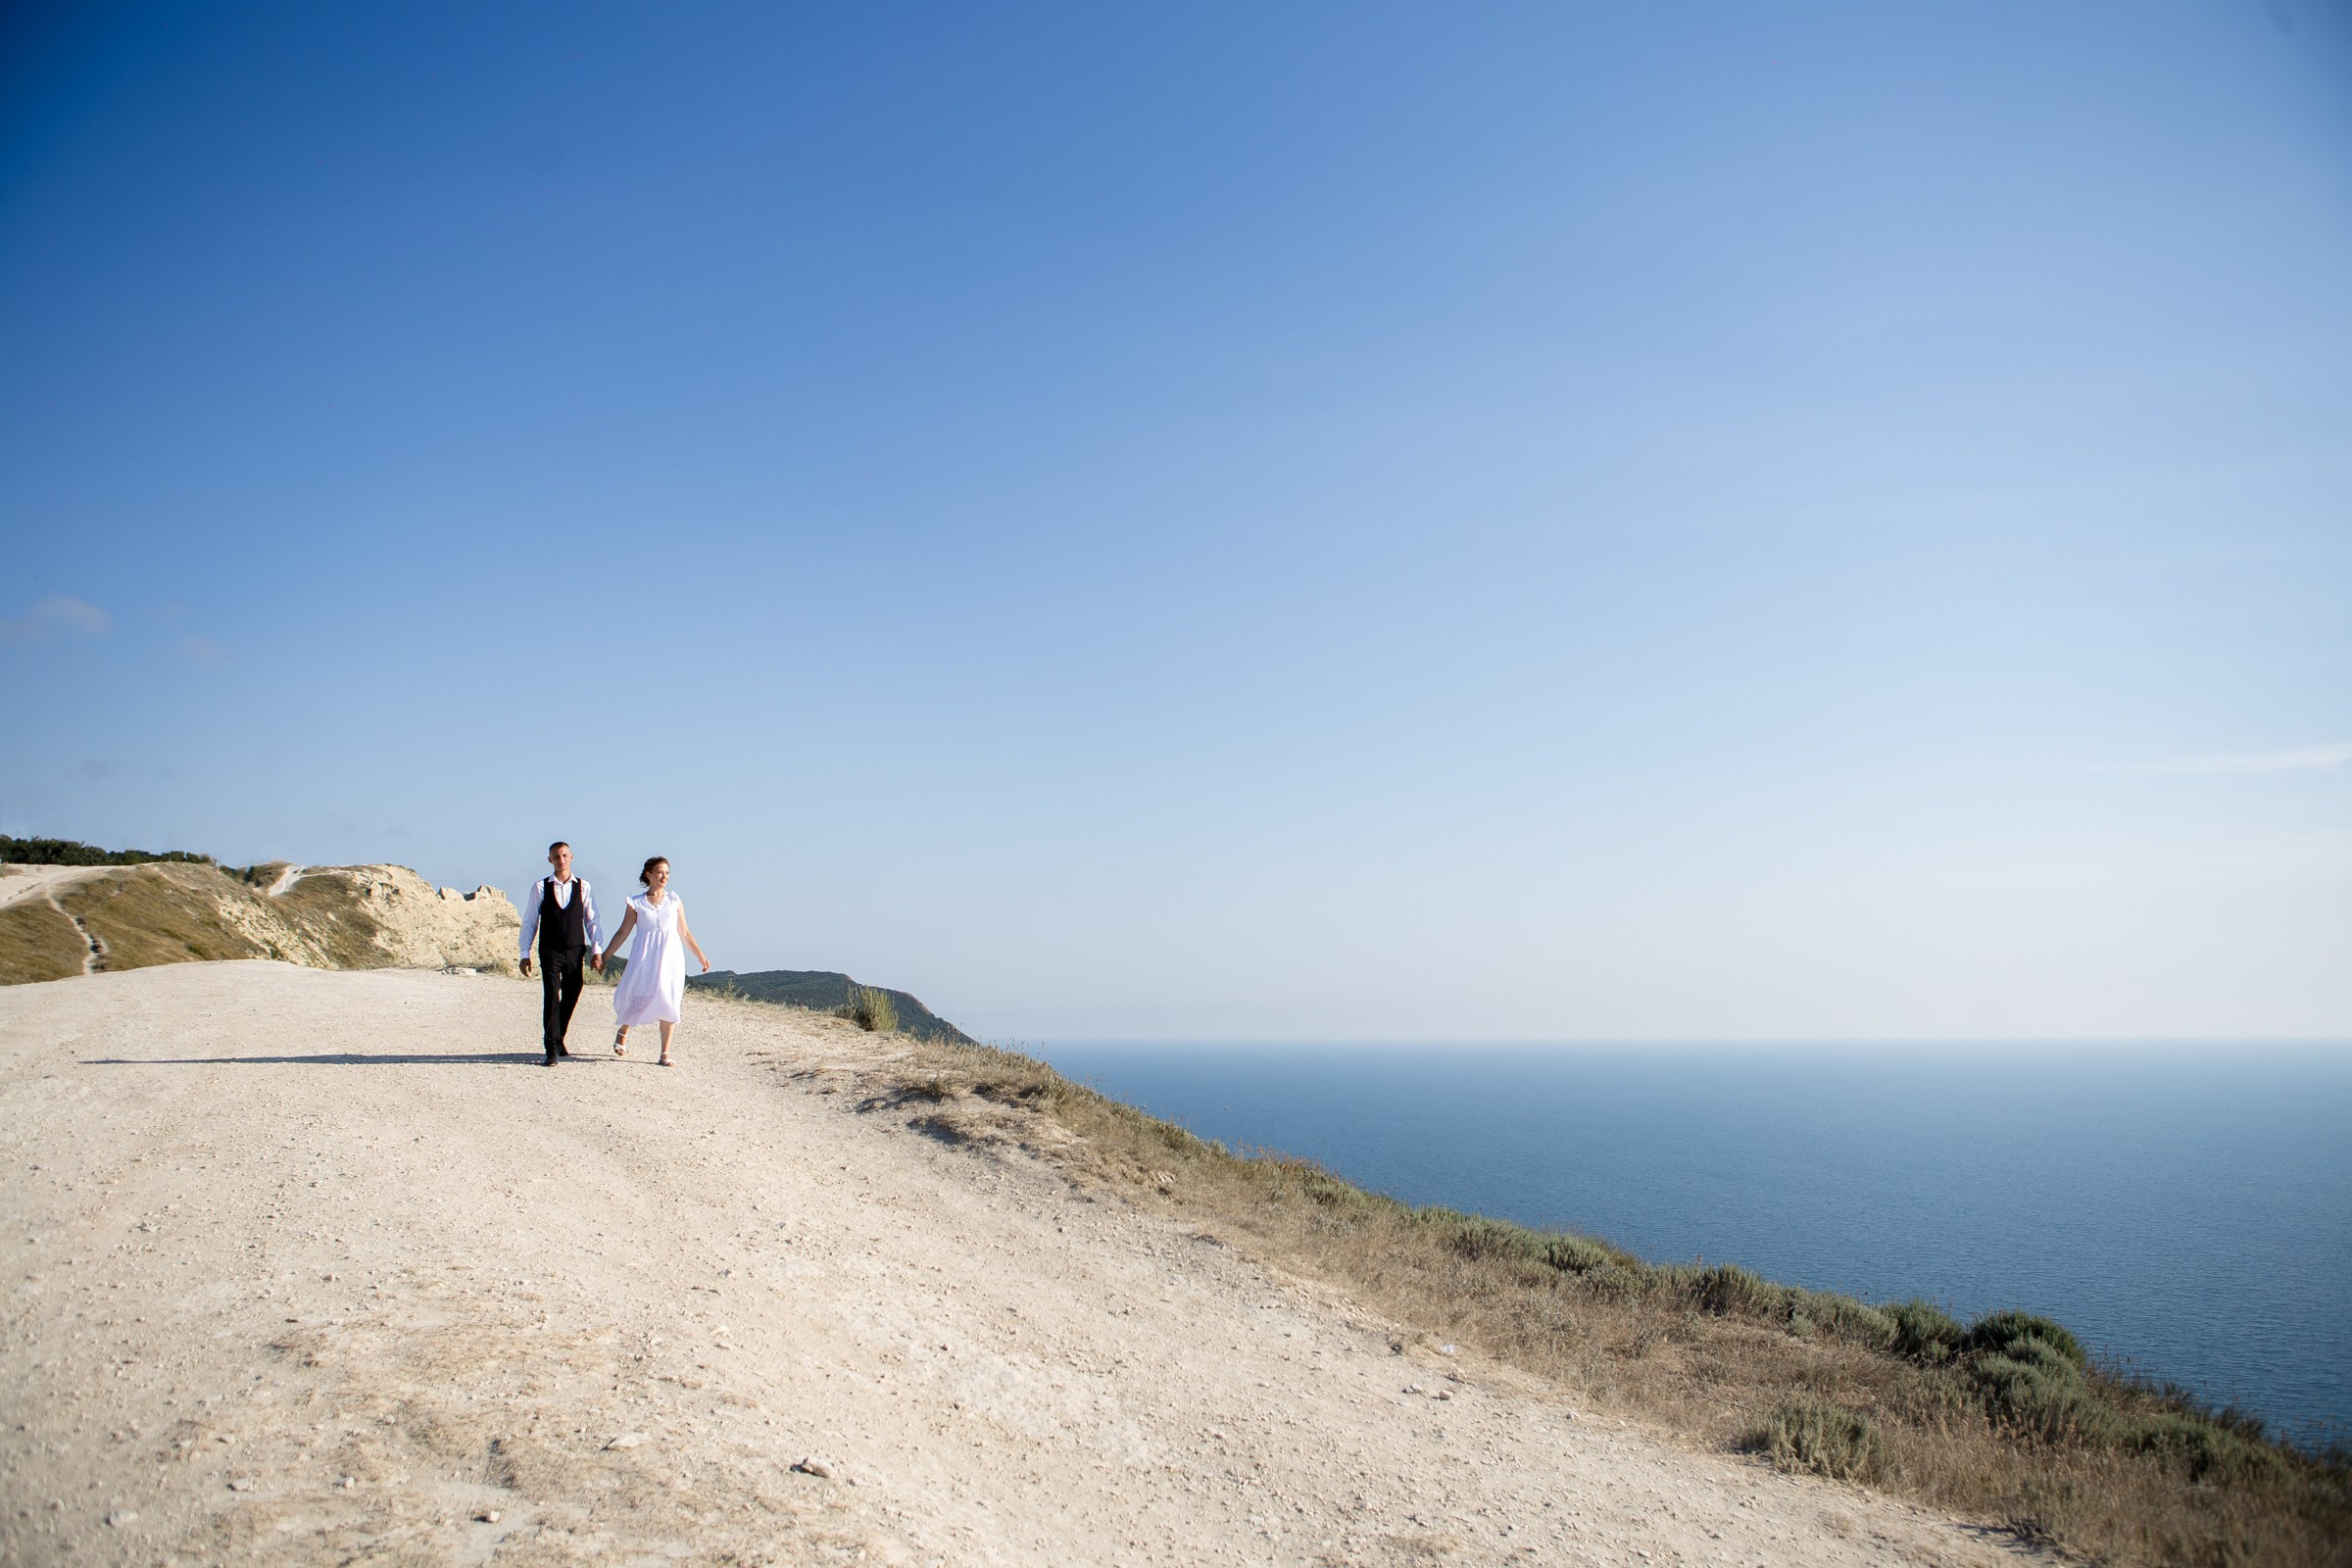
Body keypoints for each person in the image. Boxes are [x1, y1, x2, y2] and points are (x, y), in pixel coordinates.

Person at [606, 856, 710, 1067]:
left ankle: (665, 1052)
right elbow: (623, 932)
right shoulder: (636, 903)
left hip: (670, 957)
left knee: (669, 999)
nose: (664, 877)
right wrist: (606, 955)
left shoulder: (674, 900)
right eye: (660, 872)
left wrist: (699, 954)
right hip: (644, 956)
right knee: (639, 997)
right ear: (649, 875)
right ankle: (623, 1031)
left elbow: (685, 932)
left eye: (667, 873)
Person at [518, 840, 605, 1067]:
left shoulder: (583, 886)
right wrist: (524, 952)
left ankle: (558, 1037)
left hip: (575, 950)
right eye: (556, 856)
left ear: (571, 857)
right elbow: (530, 921)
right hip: (550, 950)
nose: (561, 860)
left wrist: (597, 949)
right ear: (550, 860)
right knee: (551, 995)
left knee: (573, 992)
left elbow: (592, 919)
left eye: (564, 855)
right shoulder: (540, 887)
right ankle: (551, 1048)